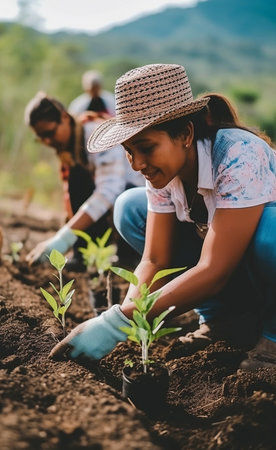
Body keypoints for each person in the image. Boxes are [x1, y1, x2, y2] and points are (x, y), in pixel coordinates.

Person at [49, 63, 276, 370]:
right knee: (130, 209)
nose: (136, 164)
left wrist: (117, 323)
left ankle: (271, 338)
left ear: (184, 133)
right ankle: (222, 322)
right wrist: (128, 319)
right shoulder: (164, 170)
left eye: (145, 148)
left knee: (270, 232)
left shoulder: (239, 154)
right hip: (237, 272)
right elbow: (155, 260)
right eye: (129, 151)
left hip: (259, 270)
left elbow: (214, 268)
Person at [24, 91, 144, 268]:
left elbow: (109, 191)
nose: (48, 141)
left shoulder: (95, 135)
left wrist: (63, 237)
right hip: (111, 207)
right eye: (41, 138)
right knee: (77, 177)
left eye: (50, 133)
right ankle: (82, 254)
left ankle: (129, 255)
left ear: (64, 118)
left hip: (136, 203)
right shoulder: (70, 146)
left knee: (123, 195)